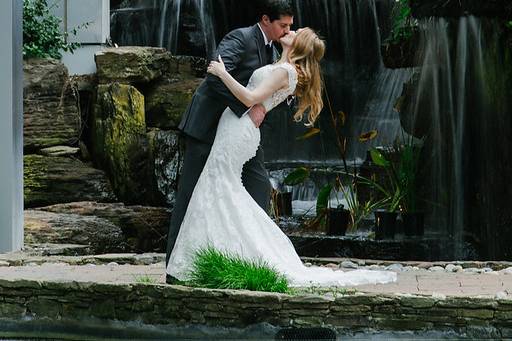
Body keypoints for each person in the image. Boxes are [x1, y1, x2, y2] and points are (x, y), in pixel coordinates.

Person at [166, 28, 397, 287]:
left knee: (219, 186)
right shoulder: (282, 65)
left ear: (299, 45)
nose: (291, 30)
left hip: (238, 129)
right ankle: (217, 255)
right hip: (237, 127)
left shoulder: (286, 72)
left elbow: (251, 98)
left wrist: (223, 73)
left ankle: (212, 258)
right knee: (220, 188)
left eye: (296, 31)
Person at [165, 0, 295, 283]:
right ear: (265, 20)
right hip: (209, 127)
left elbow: (267, 89)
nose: (288, 30)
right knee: (190, 195)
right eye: (283, 25)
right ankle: (173, 271)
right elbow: (214, 79)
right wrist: (248, 109)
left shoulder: (273, 49)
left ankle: (253, 259)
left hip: (240, 133)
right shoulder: (241, 38)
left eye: (290, 25)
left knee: (259, 186)